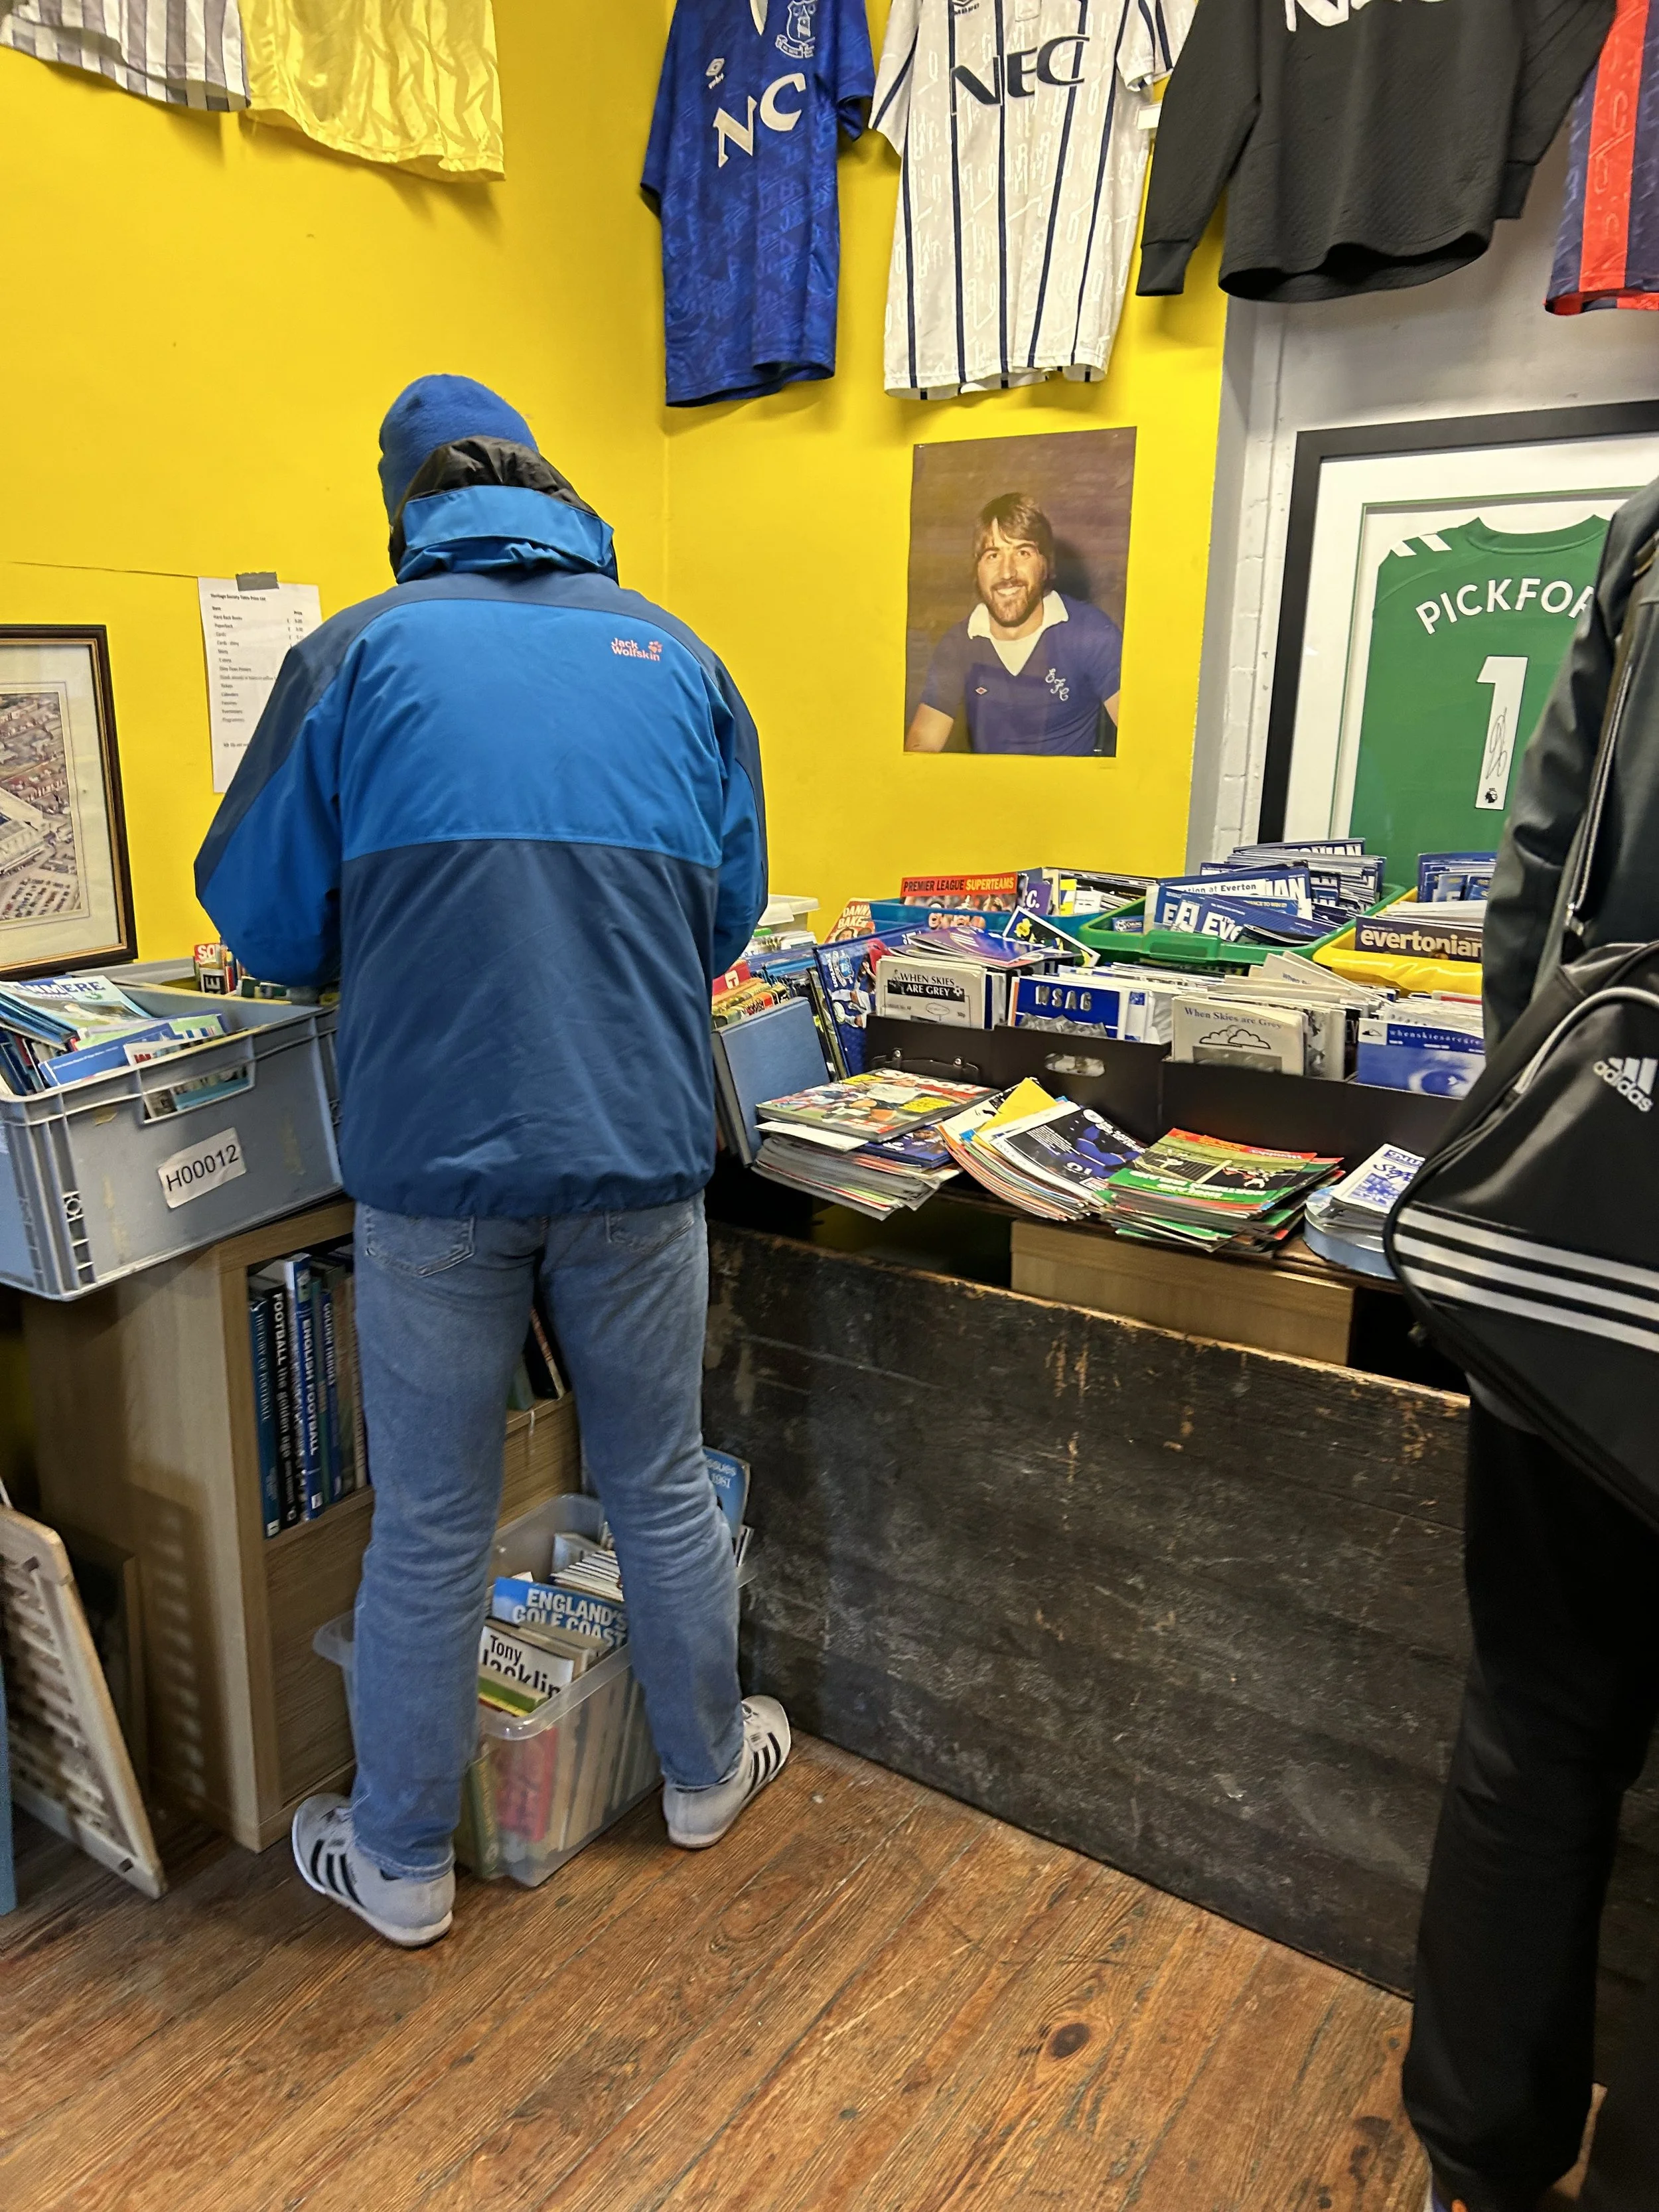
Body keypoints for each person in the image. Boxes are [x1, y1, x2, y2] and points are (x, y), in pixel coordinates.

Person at [195, 374, 792, 1949]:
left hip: (433, 1164)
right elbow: (724, 915)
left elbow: (264, 921)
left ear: (407, 510)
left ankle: (399, 1862)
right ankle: (703, 1776)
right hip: (638, 1147)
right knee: (657, 1477)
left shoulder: (352, 656)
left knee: (430, 1522)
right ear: (548, 483)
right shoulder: (680, 657)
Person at [1403, 479, 1659, 2212]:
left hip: (1592, 1251)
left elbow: (1533, 907)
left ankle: (1476, 2166)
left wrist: (1550, 1169)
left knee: (1534, 1716)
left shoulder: (1650, 542)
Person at [904, 493, 1123, 756]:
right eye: (993, 555)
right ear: (977, 570)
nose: (1007, 572)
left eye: (1023, 552)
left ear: (1045, 565)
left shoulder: (1091, 633)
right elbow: (921, 747)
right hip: (989, 783)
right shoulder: (959, 643)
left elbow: (1144, 740)